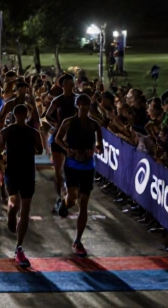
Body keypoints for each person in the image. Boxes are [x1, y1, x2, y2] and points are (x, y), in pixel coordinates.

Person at [53, 94, 104, 257]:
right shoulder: (68, 122)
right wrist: (67, 150)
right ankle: (63, 202)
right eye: (81, 106)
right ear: (77, 107)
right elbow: (58, 139)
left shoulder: (95, 125)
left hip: (88, 166)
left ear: (89, 107)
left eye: (86, 107)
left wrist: (95, 149)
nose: (83, 109)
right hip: (72, 164)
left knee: (83, 203)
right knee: (73, 197)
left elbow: (100, 145)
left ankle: (78, 240)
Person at [0, 104, 44, 267]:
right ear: (17, 115)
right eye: (21, 114)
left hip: (27, 173)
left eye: (24, 114)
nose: (22, 116)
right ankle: (11, 212)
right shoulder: (6, 132)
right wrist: (1, 169)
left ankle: (19, 247)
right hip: (13, 172)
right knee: (15, 202)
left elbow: (39, 149)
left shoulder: (32, 133)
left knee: (25, 209)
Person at [43, 76, 77, 205]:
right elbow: (47, 114)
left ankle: (70, 194)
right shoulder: (58, 100)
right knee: (58, 171)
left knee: (71, 169)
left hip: (73, 138)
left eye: (71, 83)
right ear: (62, 86)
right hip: (58, 138)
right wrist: (56, 124)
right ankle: (59, 197)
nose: (70, 85)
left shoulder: (76, 99)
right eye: (68, 84)